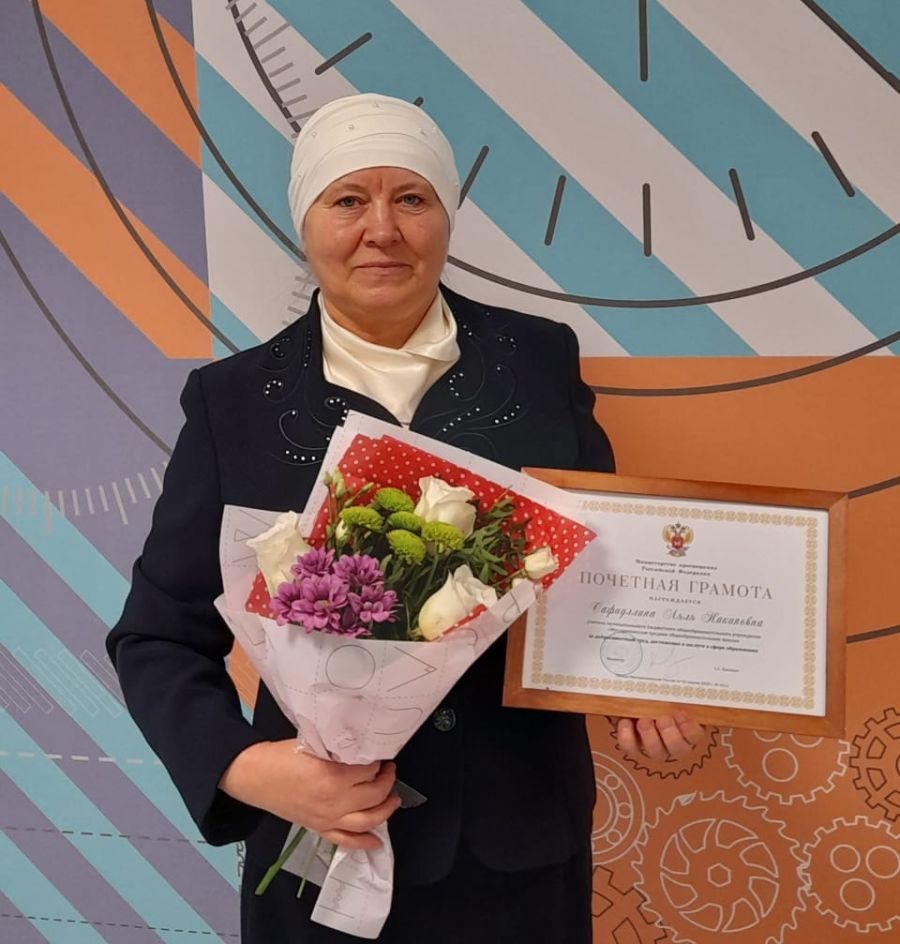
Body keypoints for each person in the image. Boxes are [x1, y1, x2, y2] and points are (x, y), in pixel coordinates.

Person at [107, 94, 706, 943]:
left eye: (412, 198)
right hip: (321, 843)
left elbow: (605, 579)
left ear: (446, 214)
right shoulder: (231, 403)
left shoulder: (540, 362)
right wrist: (245, 767)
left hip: (520, 847)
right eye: (348, 200)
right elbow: (156, 636)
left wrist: (649, 687)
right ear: (306, 221)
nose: (381, 229)